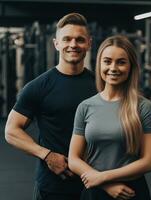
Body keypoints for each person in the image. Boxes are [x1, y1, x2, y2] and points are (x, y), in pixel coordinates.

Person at [4, 13, 97, 200]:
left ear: (89, 43)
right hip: (53, 186)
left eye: (80, 40)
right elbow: (11, 131)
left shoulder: (100, 85)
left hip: (96, 183)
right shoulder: (39, 86)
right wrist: (47, 155)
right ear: (56, 44)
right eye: (67, 39)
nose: (73, 44)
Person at [68, 35, 151, 200]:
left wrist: (103, 177)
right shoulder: (85, 107)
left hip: (130, 192)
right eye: (107, 61)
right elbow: (73, 159)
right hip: (94, 190)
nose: (113, 68)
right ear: (99, 64)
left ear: (131, 66)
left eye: (121, 62)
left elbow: (150, 161)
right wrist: (105, 183)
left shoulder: (144, 107)